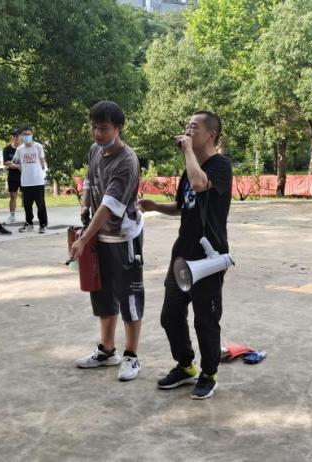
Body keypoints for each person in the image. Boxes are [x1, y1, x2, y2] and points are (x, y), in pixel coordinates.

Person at [140, 111, 233, 400]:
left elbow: (200, 184)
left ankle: (209, 374)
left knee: (205, 320)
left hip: (209, 257)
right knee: (170, 316)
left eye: (194, 127)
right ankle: (185, 365)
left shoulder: (221, 166)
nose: (188, 131)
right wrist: (156, 206)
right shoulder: (189, 168)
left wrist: (188, 152)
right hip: (182, 254)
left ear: (212, 135)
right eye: (187, 127)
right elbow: (183, 206)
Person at [69, 101, 145, 382]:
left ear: (118, 128)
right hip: (99, 235)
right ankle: (106, 350)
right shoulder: (95, 150)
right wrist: (85, 202)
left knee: (129, 295)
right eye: (94, 127)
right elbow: (90, 178)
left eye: (103, 128)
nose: (97, 133)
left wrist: (83, 239)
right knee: (101, 292)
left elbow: (110, 206)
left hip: (123, 237)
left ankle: (131, 355)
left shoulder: (127, 161)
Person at [13, 127, 48, 234]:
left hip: (38, 181)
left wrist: (42, 170)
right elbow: (16, 161)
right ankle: (29, 224)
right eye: (24, 134)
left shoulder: (38, 146)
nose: (26, 136)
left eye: (28, 134)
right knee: (27, 205)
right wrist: (13, 165)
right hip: (26, 181)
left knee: (40, 204)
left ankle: (43, 224)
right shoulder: (20, 149)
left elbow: (42, 161)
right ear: (21, 136)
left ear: (32, 135)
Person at [3, 128, 21, 223]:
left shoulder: (23, 148)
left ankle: (29, 215)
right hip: (12, 175)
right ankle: (12, 215)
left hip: (23, 174)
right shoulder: (7, 149)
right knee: (13, 195)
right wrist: (13, 165)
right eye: (14, 135)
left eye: (17, 135)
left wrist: (16, 165)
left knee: (27, 195)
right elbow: (6, 162)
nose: (15, 137)